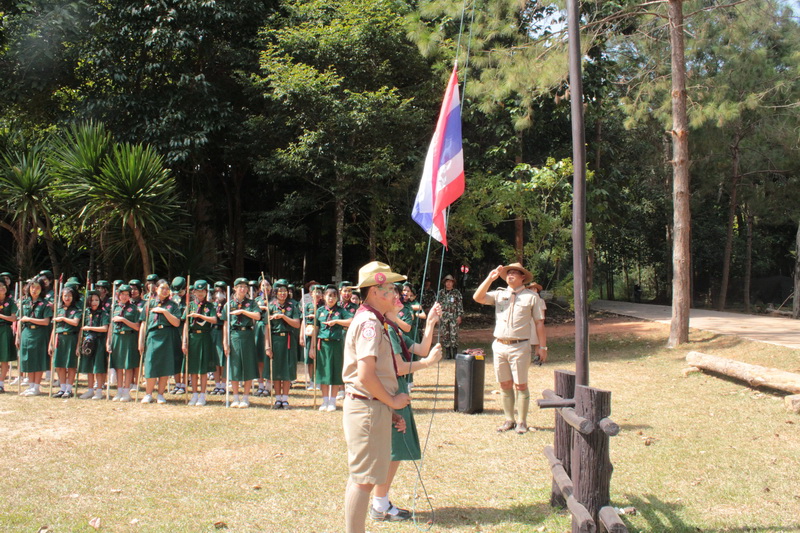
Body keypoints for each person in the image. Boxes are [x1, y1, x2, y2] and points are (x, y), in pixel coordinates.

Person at [342, 261, 411, 533]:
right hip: (366, 407)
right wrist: (392, 401)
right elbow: (366, 375)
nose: (396, 294)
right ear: (374, 292)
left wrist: (389, 409)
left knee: (363, 477)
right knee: (363, 480)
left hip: (371, 406)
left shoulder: (375, 320)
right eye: (390, 288)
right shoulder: (370, 322)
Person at [370, 287, 442, 521]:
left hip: (397, 389)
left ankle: (381, 501)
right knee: (394, 448)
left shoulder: (395, 330)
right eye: (396, 299)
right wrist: (428, 363)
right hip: (391, 391)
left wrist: (430, 323)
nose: (400, 302)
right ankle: (379, 504)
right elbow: (399, 367)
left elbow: (420, 349)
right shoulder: (387, 330)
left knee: (397, 448)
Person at [473, 263, 548, 434]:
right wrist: (489, 278)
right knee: (505, 384)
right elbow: (478, 297)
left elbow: (539, 323)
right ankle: (509, 420)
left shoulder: (531, 297)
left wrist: (542, 346)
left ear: (523, 278)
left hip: (520, 346)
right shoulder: (499, 294)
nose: (511, 275)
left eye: (515, 273)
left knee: (521, 385)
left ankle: (522, 421)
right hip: (500, 345)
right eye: (509, 273)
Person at [309, 285, 352, 411]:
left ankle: (332, 401)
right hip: (322, 345)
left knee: (334, 372)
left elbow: (351, 320)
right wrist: (312, 347)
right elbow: (315, 330)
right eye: (329, 296)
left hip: (336, 344)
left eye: (334, 296)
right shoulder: (320, 311)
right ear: (324, 297)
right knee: (323, 372)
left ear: (337, 298)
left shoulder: (340, 311)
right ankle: (325, 401)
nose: (331, 299)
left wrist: (337, 321)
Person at [139, 279, 180, 404]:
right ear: (156, 289)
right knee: (150, 364)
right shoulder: (149, 304)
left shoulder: (173, 305)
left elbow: (177, 322)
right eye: (162, 288)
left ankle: (161, 394)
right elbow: (143, 324)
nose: (165, 290)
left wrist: (164, 312)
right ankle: (148, 393)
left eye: (167, 288)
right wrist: (140, 341)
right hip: (152, 335)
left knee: (165, 365)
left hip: (167, 335)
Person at [222, 278, 261, 408]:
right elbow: (226, 324)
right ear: (234, 288)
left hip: (248, 335)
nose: (242, 289)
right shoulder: (229, 304)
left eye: (245, 287)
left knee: (248, 365)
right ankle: (235, 397)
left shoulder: (251, 303)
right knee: (234, 367)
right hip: (234, 335)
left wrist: (243, 311)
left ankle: (245, 397)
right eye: (240, 287)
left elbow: (257, 316)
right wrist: (225, 342)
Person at [267, 279, 301, 409]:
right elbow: (267, 328)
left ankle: (285, 399)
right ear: (276, 292)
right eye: (280, 291)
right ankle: (277, 398)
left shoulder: (292, 306)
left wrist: (283, 316)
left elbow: (297, 324)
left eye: (285, 291)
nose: (282, 293)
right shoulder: (271, 306)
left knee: (286, 369)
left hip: (288, 339)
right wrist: (267, 346)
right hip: (275, 339)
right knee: (276, 370)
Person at [183, 280, 217, 406]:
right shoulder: (190, 305)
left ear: (206, 292)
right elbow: (186, 323)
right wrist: (184, 342)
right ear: (194, 292)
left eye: (203, 291)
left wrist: (201, 316)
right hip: (192, 337)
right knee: (193, 368)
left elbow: (214, 319)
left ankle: (203, 394)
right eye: (198, 291)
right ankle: (194, 394)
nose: (200, 293)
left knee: (203, 368)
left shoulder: (210, 306)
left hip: (204, 337)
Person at [17, 277, 53, 396]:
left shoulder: (45, 304)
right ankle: (31, 385)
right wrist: (18, 336)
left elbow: (46, 321)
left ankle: (36, 386)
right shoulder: (24, 302)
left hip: (39, 333)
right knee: (28, 359)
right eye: (32, 287)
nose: (34, 290)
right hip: (26, 332)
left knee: (38, 359)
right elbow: (19, 320)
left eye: (38, 288)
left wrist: (30, 319)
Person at [108, 284, 142, 402]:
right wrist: (109, 342)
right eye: (122, 294)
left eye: (127, 294)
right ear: (118, 295)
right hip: (117, 337)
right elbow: (111, 327)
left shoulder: (134, 309)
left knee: (128, 366)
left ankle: (126, 391)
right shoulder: (115, 308)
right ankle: (119, 390)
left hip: (129, 338)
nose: (124, 296)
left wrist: (123, 320)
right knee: (118, 366)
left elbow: (137, 326)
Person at [50, 285, 81, 398]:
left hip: (71, 338)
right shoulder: (58, 310)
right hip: (59, 337)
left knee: (71, 364)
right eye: (65, 296)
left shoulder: (76, 310)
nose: (67, 298)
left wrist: (63, 318)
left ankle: (69, 389)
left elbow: (75, 322)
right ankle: (62, 388)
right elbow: (54, 328)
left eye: (69, 296)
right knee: (59, 364)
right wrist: (51, 342)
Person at [79, 290, 110, 400]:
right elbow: (81, 330)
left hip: (99, 341)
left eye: (97, 300)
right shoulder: (85, 313)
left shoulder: (103, 313)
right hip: (87, 342)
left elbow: (105, 328)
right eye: (92, 300)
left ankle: (99, 391)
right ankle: (90, 390)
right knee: (89, 367)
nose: (94, 302)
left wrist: (90, 328)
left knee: (98, 367)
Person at [437, 274, 463, 360]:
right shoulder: (441, 293)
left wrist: (459, 315)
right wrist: (438, 316)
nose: (448, 283)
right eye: (447, 282)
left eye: (450, 282)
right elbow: (437, 305)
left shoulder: (456, 293)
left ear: (453, 283)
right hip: (444, 317)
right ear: (444, 283)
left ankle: (455, 353)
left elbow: (459, 305)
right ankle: (448, 353)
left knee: (454, 334)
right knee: (445, 335)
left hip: (453, 317)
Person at [0, 279, 18, 393]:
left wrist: (1, 316)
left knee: (4, 359)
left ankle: (1, 384)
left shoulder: (10, 302)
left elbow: (13, 318)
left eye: (3, 287)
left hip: (5, 329)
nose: (1, 289)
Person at [210, 281, 228, 395]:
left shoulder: (228, 304)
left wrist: (223, 316)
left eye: (221, 291)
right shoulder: (212, 304)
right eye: (217, 292)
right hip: (213, 331)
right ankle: (217, 384)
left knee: (223, 360)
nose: (218, 294)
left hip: (223, 331)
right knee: (215, 359)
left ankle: (224, 384)